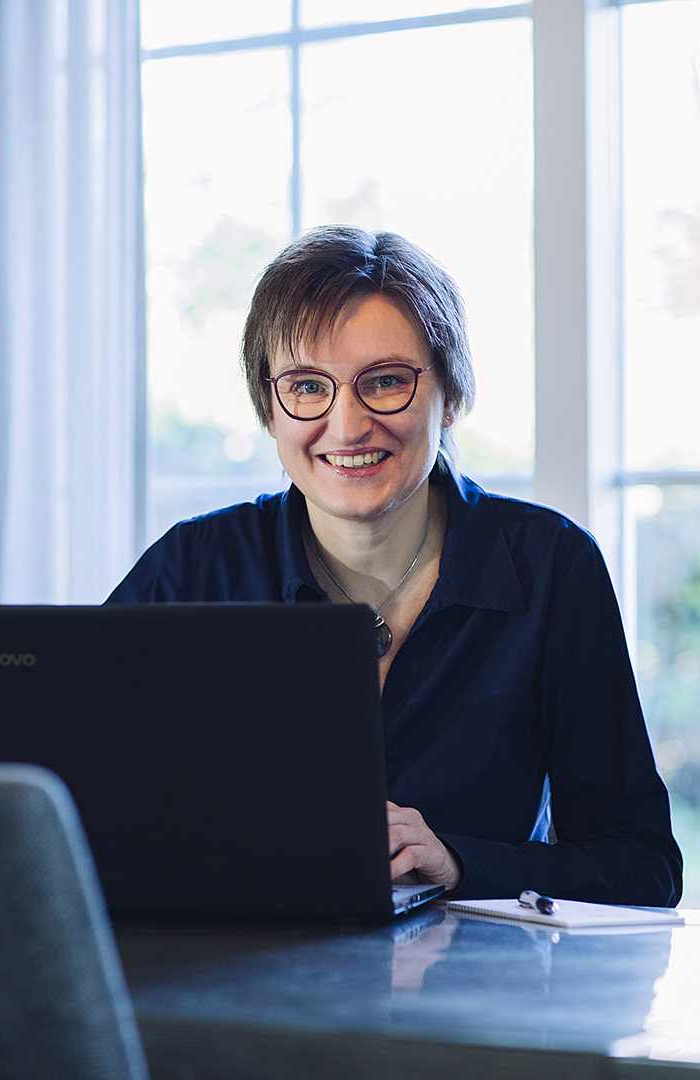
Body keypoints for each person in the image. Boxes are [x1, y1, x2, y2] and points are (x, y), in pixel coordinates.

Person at [108, 225, 682, 906]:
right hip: (234, 975)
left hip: (472, 997)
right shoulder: (190, 570)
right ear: (270, 407)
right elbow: (88, 814)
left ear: (451, 399)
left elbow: (642, 868)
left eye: (385, 382)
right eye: (307, 386)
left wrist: (458, 863)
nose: (347, 426)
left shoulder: (551, 567)